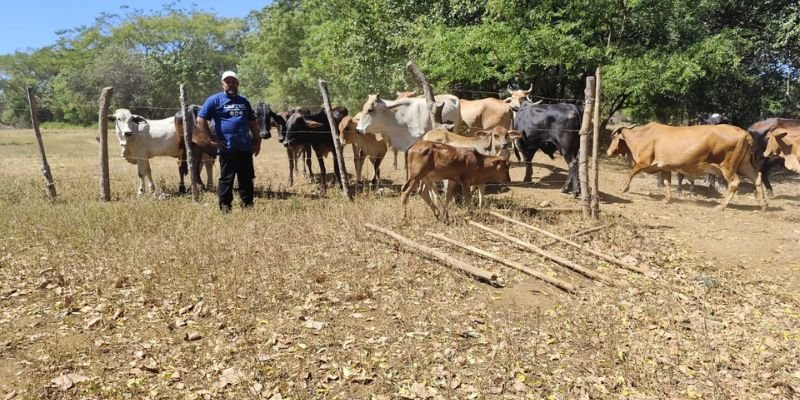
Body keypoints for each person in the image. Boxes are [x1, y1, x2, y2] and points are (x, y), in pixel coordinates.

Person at [197, 71, 261, 212]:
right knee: (227, 179)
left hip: (245, 147)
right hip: (227, 148)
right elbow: (201, 119)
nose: (231, 84)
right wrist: (210, 138)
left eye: (233, 81)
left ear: (237, 83)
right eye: (228, 81)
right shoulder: (215, 100)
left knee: (246, 178)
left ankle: (248, 206)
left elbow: (252, 123)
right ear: (223, 84)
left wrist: (258, 141)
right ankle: (225, 207)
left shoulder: (244, 101)